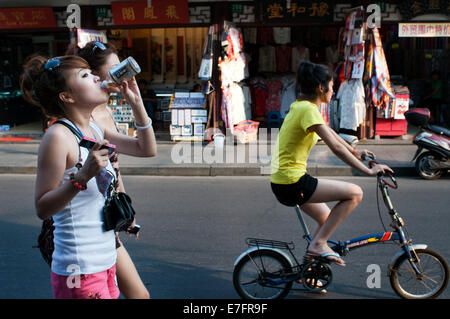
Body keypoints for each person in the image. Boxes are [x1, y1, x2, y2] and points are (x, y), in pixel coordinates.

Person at [20, 54, 156, 299]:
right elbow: (42, 208)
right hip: (79, 269)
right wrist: (82, 177)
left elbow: (145, 149)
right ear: (67, 96)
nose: (97, 77)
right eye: (85, 75)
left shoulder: (93, 127)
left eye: (92, 72)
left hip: (106, 261)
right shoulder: (58, 136)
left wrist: (136, 102)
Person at [270, 61, 392, 266]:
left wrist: (354, 150)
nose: (333, 91)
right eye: (332, 86)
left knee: (327, 217)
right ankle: (318, 245)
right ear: (321, 88)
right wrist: (368, 171)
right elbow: (334, 147)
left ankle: (308, 269)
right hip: (292, 182)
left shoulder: (302, 107)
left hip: (284, 180)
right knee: (355, 193)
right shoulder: (307, 111)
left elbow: (332, 134)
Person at [66, 41, 151, 299]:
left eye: (122, 66)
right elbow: (44, 204)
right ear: (94, 75)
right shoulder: (80, 121)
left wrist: (124, 209)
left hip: (104, 222)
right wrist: (81, 178)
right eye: (115, 68)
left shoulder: (103, 114)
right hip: (86, 233)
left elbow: (123, 163)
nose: (122, 74)